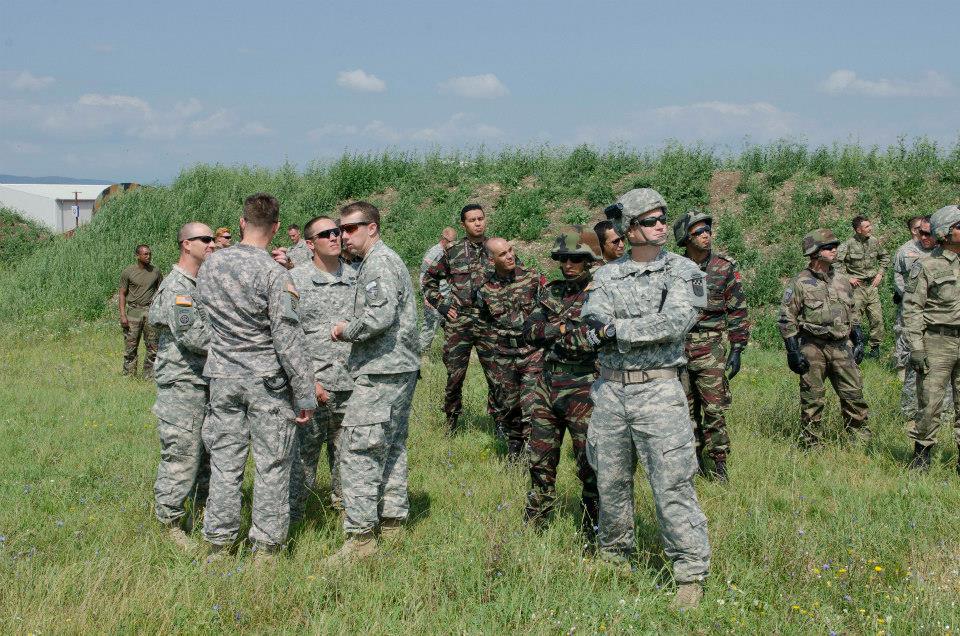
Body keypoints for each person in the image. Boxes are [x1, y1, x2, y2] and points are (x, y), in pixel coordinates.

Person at [582, 188, 710, 609]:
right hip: (610, 389)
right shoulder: (605, 275)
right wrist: (609, 328)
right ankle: (615, 556)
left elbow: (676, 321)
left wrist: (618, 331)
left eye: (662, 219)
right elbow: (591, 320)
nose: (661, 226)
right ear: (629, 228)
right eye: (651, 220)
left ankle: (690, 574)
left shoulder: (683, 270)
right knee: (611, 480)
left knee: (672, 482)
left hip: (658, 389)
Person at [197, 193, 317, 563]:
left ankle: (218, 542)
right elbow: (288, 337)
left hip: (222, 377)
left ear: (241, 223)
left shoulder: (210, 267)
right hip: (265, 380)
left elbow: (204, 320)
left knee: (225, 463)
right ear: (277, 228)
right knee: (272, 464)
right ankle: (265, 547)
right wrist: (305, 392)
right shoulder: (275, 274)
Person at [327, 201, 420, 562]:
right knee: (392, 446)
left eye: (350, 228)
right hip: (397, 369)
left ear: (372, 227)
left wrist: (344, 330)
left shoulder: (378, 262)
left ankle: (361, 539)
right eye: (339, 229)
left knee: (360, 450)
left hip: (381, 370)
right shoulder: (384, 260)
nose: (343, 236)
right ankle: (393, 522)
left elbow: (379, 316)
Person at [522, 227, 600, 537]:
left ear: (588, 262)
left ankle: (593, 526)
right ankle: (536, 523)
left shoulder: (598, 295)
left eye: (576, 260)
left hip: (584, 386)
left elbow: (592, 341)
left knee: (589, 462)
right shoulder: (551, 292)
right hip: (547, 384)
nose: (569, 265)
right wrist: (564, 330)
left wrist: (558, 331)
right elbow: (529, 333)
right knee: (540, 458)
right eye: (564, 259)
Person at [148, 222, 215, 551]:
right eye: (205, 239)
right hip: (182, 384)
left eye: (213, 238)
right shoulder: (178, 287)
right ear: (186, 244)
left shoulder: (199, 283)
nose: (212, 243)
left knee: (206, 455)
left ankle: (202, 517)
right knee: (182, 455)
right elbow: (193, 336)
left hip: (204, 381)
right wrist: (237, 341)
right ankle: (169, 524)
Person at [671, 210, 750, 481]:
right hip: (678, 349)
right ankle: (692, 463)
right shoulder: (674, 269)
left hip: (711, 348)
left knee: (714, 410)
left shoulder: (723, 267)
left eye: (708, 230)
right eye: (698, 232)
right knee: (683, 411)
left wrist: (738, 348)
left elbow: (737, 310)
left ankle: (719, 465)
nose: (706, 236)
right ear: (685, 238)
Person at [288, 216, 356, 522]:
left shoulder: (357, 278)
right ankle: (294, 520)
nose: (334, 237)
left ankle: (346, 517)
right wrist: (307, 383)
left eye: (337, 231)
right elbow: (288, 337)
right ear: (309, 243)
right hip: (313, 388)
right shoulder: (295, 281)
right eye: (325, 233)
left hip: (353, 386)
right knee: (302, 462)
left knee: (349, 460)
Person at [778, 229, 870, 448]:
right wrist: (792, 351)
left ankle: (859, 443)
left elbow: (853, 311)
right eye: (829, 247)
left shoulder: (842, 280)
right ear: (814, 252)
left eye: (835, 246)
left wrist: (859, 338)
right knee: (812, 399)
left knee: (854, 395)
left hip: (841, 346)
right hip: (813, 346)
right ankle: (811, 444)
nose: (834, 250)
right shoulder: (799, 282)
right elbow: (786, 318)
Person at [421, 204, 499, 433]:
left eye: (481, 218)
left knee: (497, 375)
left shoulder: (496, 248)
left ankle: (500, 423)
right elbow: (429, 281)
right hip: (460, 322)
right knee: (455, 375)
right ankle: (451, 423)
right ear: (463, 224)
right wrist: (443, 305)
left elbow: (519, 276)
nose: (478, 223)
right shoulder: (453, 251)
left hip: (490, 321)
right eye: (472, 220)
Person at [476, 237, 545, 459]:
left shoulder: (533, 277)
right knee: (509, 406)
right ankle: (514, 450)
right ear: (491, 259)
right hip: (504, 356)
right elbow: (485, 321)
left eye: (511, 250)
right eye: (503, 254)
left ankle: (533, 456)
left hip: (531, 353)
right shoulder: (484, 289)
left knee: (531, 404)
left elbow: (551, 309)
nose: (509, 256)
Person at [903, 205, 960, 471]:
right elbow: (912, 309)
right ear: (945, 232)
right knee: (930, 403)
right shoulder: (925, 265)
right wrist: (916, 347)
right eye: (959, 226)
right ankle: (921, 459)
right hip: (937, 341)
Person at [893, 216, 947, 434]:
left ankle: (944, 412)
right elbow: (899, 277)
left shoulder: (946, 255)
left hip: (940, 321)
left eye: (928, 233)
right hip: (914, 314)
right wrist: (910, 299)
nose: (923, 237)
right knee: (914, 362)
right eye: (920, 232)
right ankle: (909, 411)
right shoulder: (907, 252)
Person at [836, 216, 889, 359]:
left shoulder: (874, 241)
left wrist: (880, 274)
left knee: (877, 319)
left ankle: (875, 349)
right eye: (867, 227)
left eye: (870, 226)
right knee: (854, 320)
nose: (870, 229)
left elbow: (885, 257)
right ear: (858, 230)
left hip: (872, 287)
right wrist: (848, 278)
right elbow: (836, 263)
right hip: (856, 289)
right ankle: (855, 348)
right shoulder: (848, 244)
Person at [119, 244, 163, 378]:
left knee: (153, 347)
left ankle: (149, 376)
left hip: (150, 311)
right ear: (137, 256)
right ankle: (129, 376)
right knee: (130, 347)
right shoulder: (128, 272)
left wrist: (160, 312)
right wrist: (122, 315)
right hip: (134, 311)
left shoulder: (155, 271)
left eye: (149, 253)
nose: (148, 256)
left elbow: (161, 292)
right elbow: (122, 294)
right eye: (145, 254)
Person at [418, 227, 457, 354]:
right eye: (450, 241)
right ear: (444, 239)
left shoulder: (448, 252)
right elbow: (424, 275)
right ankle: (421, 353)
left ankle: (452, 352)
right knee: (430, 326)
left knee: (451, 324)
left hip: (446, 297)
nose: (452, 244)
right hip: (434, 297)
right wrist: (426, 296)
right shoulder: (435, 252)